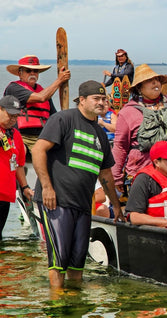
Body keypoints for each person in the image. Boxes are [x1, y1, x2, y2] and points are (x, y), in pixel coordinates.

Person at [31, 80, 123, 288]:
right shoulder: (63, 119)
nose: (102, 103)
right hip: (57, 201)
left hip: (82, 205)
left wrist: (116, 206)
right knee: (59, 259)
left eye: (104, 99)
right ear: (82, 100)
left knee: (78, 262)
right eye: (96, 99)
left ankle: (74, 304)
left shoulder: (100, 133)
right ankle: (55, 301)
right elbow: (38, 150)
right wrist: (46, 187)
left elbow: (106, 174)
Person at [112, 60, 167, 198]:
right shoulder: (127, 112)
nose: (156, 83)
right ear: (139, 87)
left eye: (157, 79)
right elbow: (120, 146)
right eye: (150, 80)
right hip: (144, 176)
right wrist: (117, 177)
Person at [4, 55, 71, 154]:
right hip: (20, 135)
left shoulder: (44, 91)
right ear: (20, 73)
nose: (32, 73)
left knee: (63, 150)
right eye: (28, 70)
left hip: (42, 136)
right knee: (25, 150)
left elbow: (54, 116)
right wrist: (59, 80)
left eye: (35, 71)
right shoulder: (14, 88)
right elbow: (41, 98)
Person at [0, 96, 34, 239]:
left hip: (6, 195)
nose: (13, 119)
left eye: (16, 116)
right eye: (10, 115)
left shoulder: (16, 135)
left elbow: (19, 165)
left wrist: (25, 187)